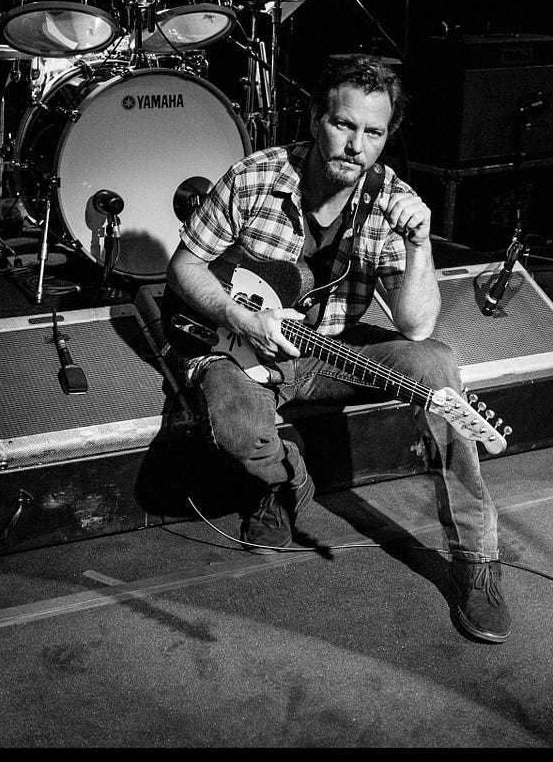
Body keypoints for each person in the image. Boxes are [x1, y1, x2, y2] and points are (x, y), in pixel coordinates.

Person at [167, 54, 513, 644]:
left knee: (438, 366)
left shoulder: (391, 202)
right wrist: (236, 315)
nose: (356, 145)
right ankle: (285, 478)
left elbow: (417, 326)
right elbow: (184, 267)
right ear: (314, 118)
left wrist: (421, 243)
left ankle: (477, 559)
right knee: (238, 433)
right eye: (343, 125)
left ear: (386, 137)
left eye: (373, 133)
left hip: (330, 349)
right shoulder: (254, 177)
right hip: (242, 342)